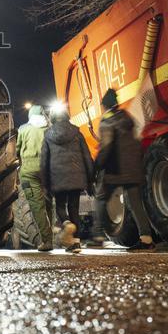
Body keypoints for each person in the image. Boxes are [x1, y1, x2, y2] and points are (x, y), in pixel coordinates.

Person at [92, 88, 157, 251]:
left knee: (100, 198)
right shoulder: (127, 117)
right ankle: (146, 238)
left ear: (104, 106)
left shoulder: (107, 121)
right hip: (133, 168)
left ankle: (98, 236)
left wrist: (96, 166)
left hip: (115, 169)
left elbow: (106, 147)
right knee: (135, 204)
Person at [41, 106, 94, 253]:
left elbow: (44, 161)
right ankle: (76, 243)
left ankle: (66, 223)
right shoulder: (77, 132)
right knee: (74, 208)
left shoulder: (48, 134)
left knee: (60, 207)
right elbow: (87, 157)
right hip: (77, 176)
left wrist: (45, 184)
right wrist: (91, 179)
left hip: (57, 178)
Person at [16, 104, 53, 251]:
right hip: (47, 170)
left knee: (37, 207)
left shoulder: (23, 129)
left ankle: (47, 240)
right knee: (49, 204)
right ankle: (51, 237)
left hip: (29, 172)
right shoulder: (49, 129)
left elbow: (17, 150)